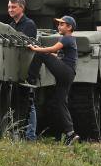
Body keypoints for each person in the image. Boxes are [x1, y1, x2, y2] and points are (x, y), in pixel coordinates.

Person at [24, 16, 80, 146]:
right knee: (60, 103)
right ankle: (70, 133)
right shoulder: (69, 39)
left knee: (41, 54)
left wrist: (36, 49)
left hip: (65, 72)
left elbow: (53, 49)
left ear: (69, 27)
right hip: (68, 74)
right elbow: (57, 55)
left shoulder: (66, 38)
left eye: (62, 24)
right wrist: (43, 49)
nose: (59, 26)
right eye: (59, 24)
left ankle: (31, 80)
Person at [7, 0, 38, 140]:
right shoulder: (11, 26)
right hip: (14, 67)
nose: (10, 10)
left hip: (26, 67)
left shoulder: (29, 24)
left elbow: (27, 45)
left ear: (22, 8)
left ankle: (30, 135)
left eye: (14, 7)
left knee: (28, 102)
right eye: (9, 7)